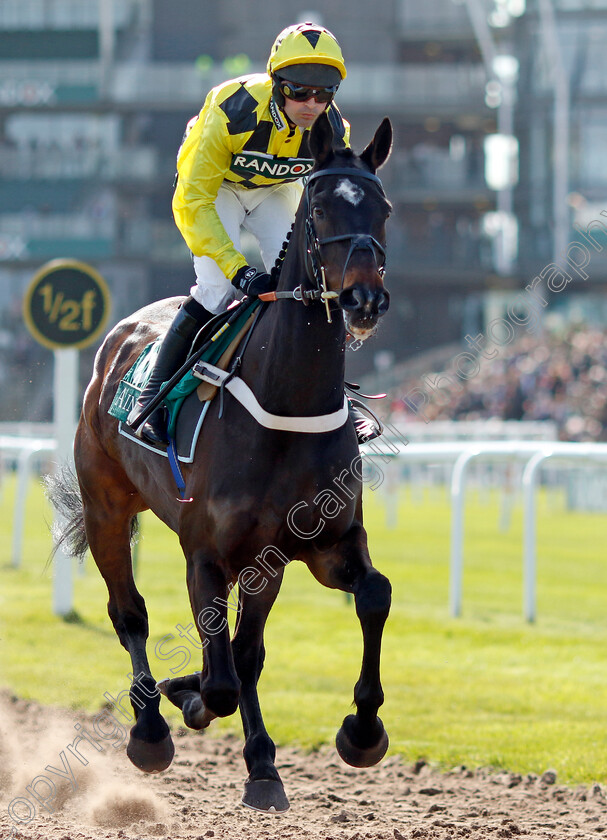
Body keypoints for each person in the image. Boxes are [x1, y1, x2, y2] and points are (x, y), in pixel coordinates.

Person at [130, 22, 378, 446]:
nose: (311, 104)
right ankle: (151, 399)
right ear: (276, 82)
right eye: (299, 91)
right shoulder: (231, 108)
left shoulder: (334, 129)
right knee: (218, 286)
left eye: (325, 93)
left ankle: (337, 395)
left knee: (314, 282)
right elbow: (193, 203)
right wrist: (239, 269)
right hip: (216, 191)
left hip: (275, 190)